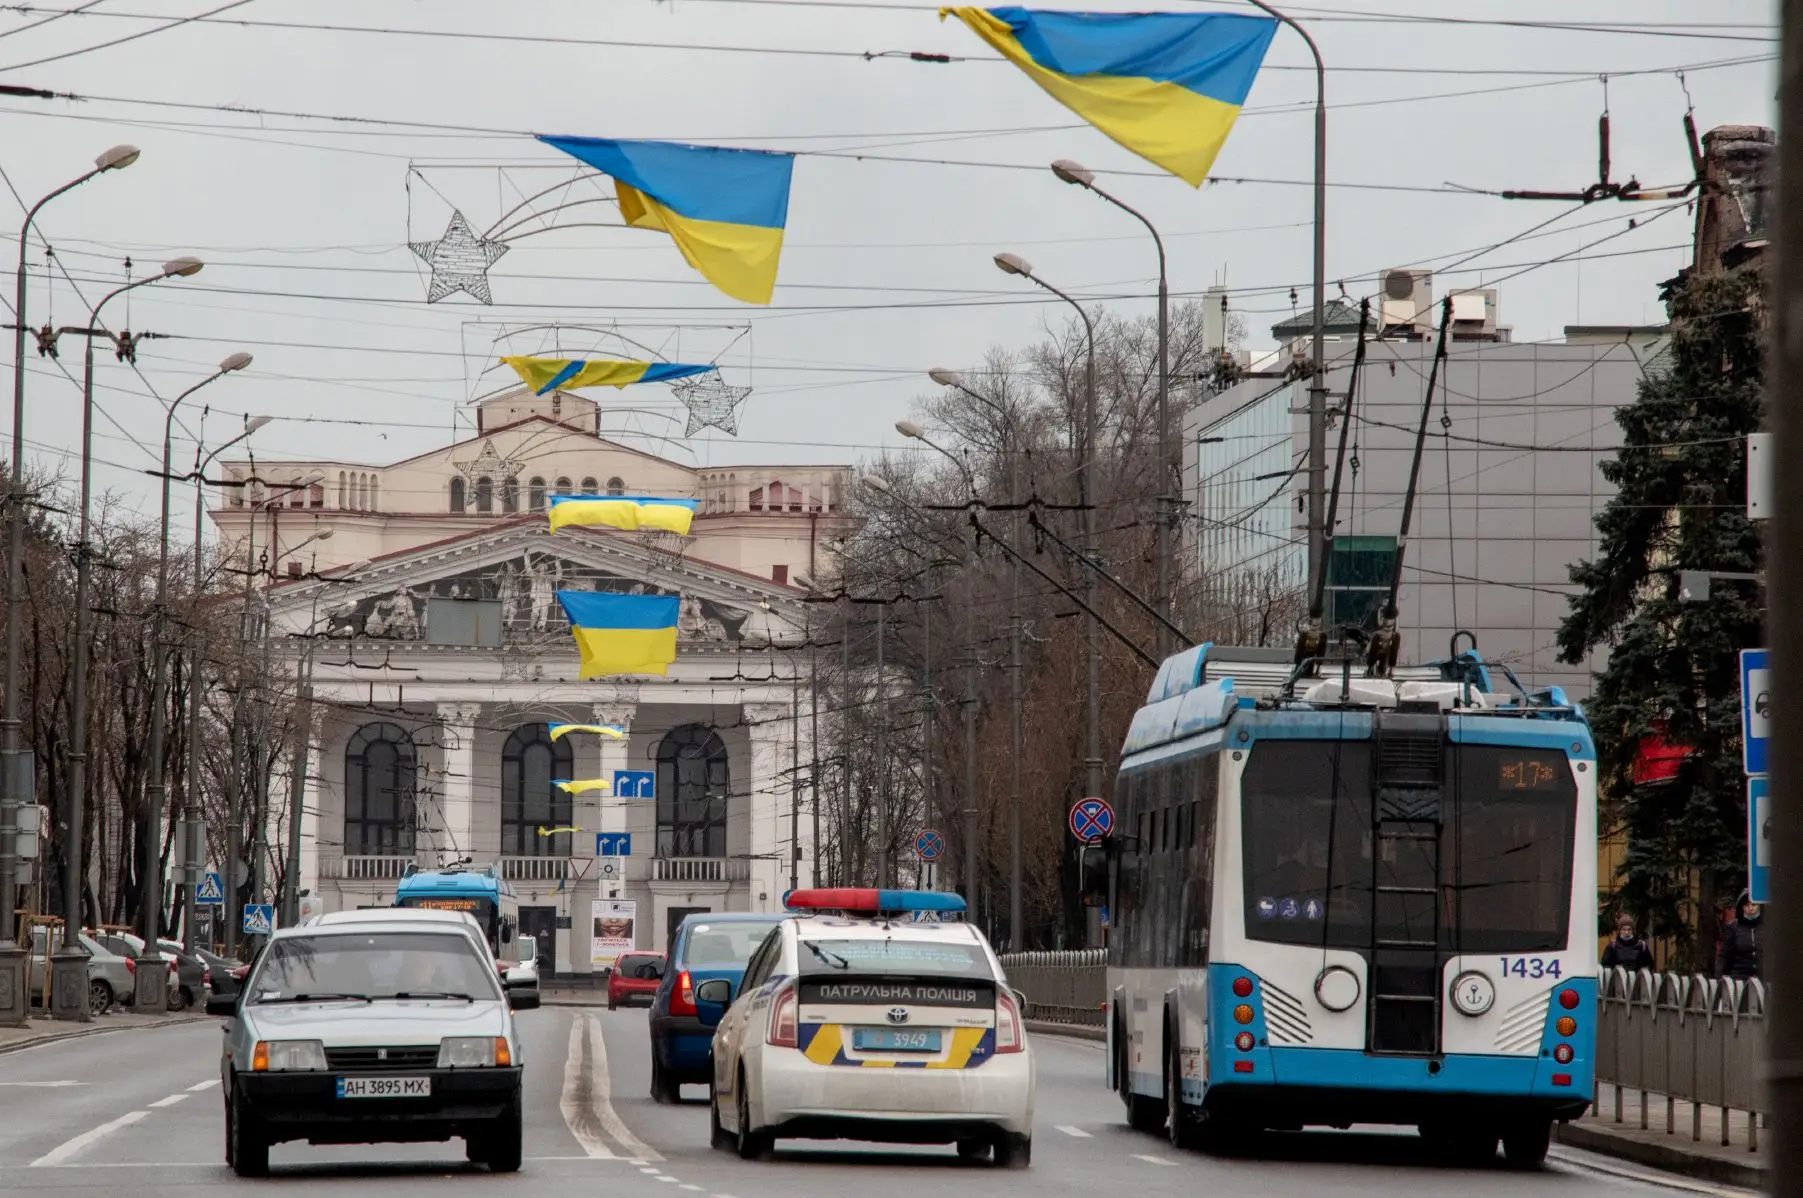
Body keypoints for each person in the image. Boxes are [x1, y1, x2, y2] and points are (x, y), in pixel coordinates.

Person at [1716, 892, 1762, 980]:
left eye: (1754, 905)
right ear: (1742, 907)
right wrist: (1720, 979)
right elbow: (1724, 957)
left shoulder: (1767, 928)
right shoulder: (1733, 928)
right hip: (1739, 980)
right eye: (1747, 905)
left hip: (1762, 981)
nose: (1750, 908)